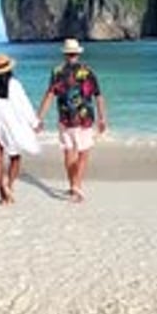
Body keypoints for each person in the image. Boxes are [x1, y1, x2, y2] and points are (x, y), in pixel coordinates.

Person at [37, 38, 107, 202]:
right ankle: (77, 186)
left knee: (69, 152)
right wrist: (102, 118)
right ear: (77, 53)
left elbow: (49, 95)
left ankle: (73, 185)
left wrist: (39, 117)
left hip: (65, 119)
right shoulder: (88, 71)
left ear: (65, 54)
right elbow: (98, 96)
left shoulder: (57, 71)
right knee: (83, 152)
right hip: (84, 119)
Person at [0, 53, 41, 205]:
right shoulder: (15, 85)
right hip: (13, 127)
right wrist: (34, 122)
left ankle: (2, 195)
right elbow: (25, 105)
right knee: (15, 157)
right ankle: (9, 185)